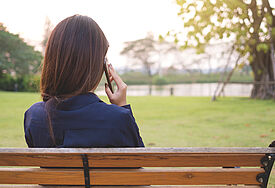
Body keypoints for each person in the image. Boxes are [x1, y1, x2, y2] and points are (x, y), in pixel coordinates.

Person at [24, 15, 144, 148]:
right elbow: (138, 162)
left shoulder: (34, 116)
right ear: (98, 65)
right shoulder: (118, 119)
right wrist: (122, 107)